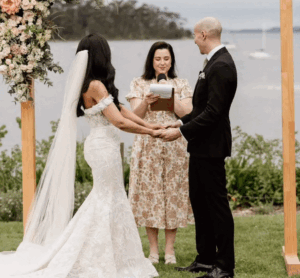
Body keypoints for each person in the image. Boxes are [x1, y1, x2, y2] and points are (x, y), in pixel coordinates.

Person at [0, 34, 160, 278]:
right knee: (106, 198)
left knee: (110, 197)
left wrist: (152, 127)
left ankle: (110, 254)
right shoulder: (96, 85)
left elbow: (123, 111)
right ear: (102, 55)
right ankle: (97, 254)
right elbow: (118, 121)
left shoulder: (93, 84)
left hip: (101, 145)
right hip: (103, 147)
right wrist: (151, 132)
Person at [160, 17, 237, 278]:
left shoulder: (222, 65)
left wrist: (181, 132)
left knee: (216, 206)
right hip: (200, 146)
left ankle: (225, 266)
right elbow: (201, 109)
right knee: (200, 203)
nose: (193, 40)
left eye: (194, 35)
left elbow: (214, 112)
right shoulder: (212, 63)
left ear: (204, 34)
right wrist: (180, 122)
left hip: (212, 148)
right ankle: (205, 259)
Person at [125, 41, 195, 265]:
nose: (162, 63)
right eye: (158, 59)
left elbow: (188, 114)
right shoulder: (139, 83)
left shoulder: (182, 84)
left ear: (171, 60)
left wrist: (171, 97)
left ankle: (170, 251)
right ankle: (153, 251)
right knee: (150, 196)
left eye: (166, 58)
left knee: (172, 196)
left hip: (174, 145)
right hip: (148, 145)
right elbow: (133, 116)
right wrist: (146, 101)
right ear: (151, 61)